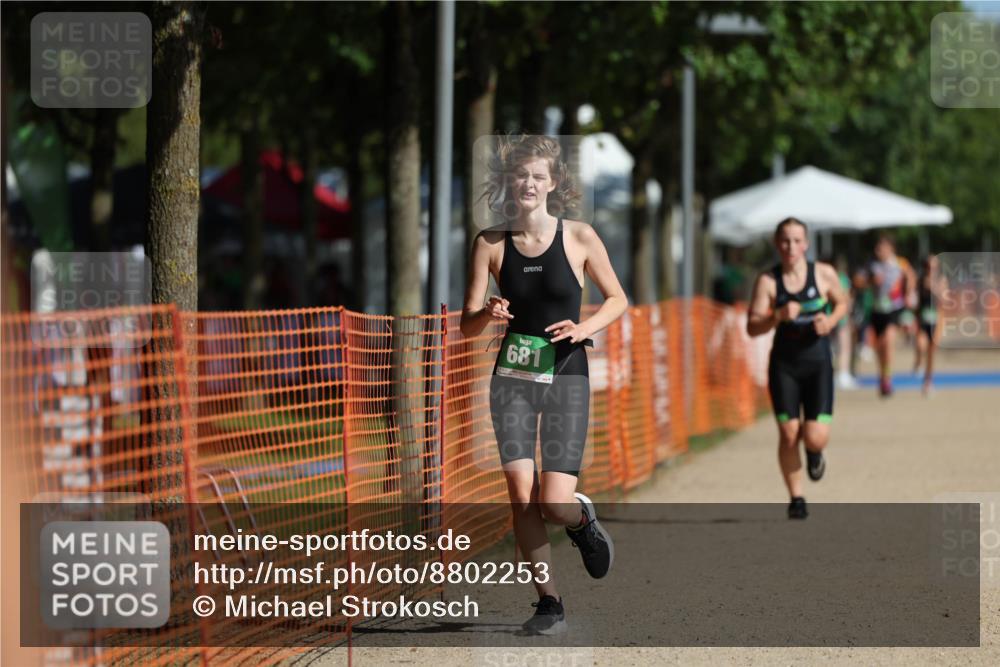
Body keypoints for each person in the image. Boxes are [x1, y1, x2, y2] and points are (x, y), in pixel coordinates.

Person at [460, 134, 628, 634]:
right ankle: (548, 603)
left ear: (553, 183)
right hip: (512, 375)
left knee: (554, 502)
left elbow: (618, 299)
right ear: (508, 183)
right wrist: (486, 312)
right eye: (520, 176)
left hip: (566, 374)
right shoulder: (489, 244)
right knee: (520, 491)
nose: (528, 184)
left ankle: (582, 521)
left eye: (538, 176)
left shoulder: (578, 237)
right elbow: (467, 323)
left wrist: (583, 328)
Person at [747, 218, 849, 519]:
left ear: (806, 244)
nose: (791, 247)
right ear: (777, 244)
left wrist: (829, 321)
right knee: (789, 433)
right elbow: (752, 327)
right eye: (785, 241)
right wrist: (776, 315)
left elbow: (843, 303)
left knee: (814, 436)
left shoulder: (824, 274)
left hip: (818, 364)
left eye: (797, 240)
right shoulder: (768, 281)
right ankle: (797, 497)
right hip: (784, 365)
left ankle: (815, 453)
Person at [866, 235, 916, 397]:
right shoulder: (873, 265)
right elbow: (861, 281)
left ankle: (887, 378)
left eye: (881, 247)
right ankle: (882, 374)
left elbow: (911, 276)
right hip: (877, 310)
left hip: (894, 309)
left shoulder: (900, 263)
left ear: (891, 249)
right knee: (879, 347)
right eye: (877, 248)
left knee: (888, 341)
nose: (878, 251)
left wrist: (908, 293)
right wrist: (871, 282)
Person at [913, 255, 947, 395]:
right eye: (928, 267)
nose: (931, 270)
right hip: (922, 319)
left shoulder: (941, 280)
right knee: (921, 345)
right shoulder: (920, 280)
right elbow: (914, 299)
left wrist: (933, 288)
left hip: (937, 319)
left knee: (932, 352)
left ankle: (928, 381)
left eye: (934, 267)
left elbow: (945, 300)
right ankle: (918, 362)